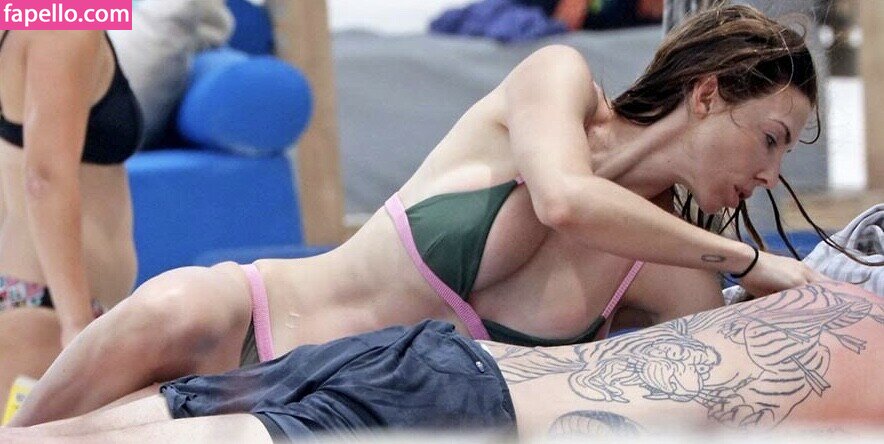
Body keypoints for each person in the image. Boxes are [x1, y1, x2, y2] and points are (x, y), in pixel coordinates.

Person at [9, 4, 843, 425]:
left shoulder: (667, 264)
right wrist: (747, 259)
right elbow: (565, 199)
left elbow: (717, 390)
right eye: (769, 140)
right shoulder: (556, 82)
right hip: (238, 323)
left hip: (332, 419)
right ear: (707, 95)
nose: (770, 175)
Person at [2, 281, 881, 442]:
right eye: (772, 139)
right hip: (439, 393)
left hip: (414, 363)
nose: (766, 174)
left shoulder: (814, 289)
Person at [0, 31, 142, 403]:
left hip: (34, 298)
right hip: (53, 311)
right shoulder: (61, 20)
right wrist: (76, 324)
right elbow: (44, 179)